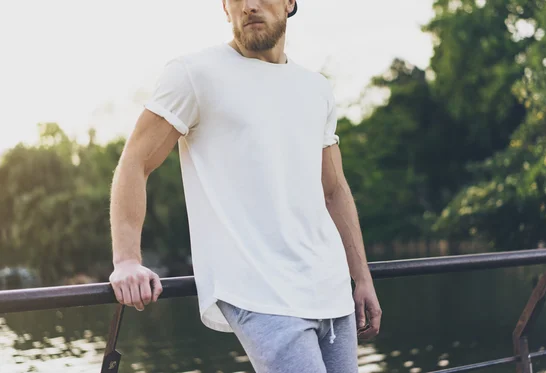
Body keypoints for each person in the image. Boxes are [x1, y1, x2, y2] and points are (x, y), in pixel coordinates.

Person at [108, 0, 382, 371]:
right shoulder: (194, 73)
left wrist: (361, 278)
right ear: (225, 7)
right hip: (259, 291)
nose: (249, 6)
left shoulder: (316, 87)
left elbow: (334, 190)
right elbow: (135, 160)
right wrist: (126, 260)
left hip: (331, 290)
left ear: (289, 3)